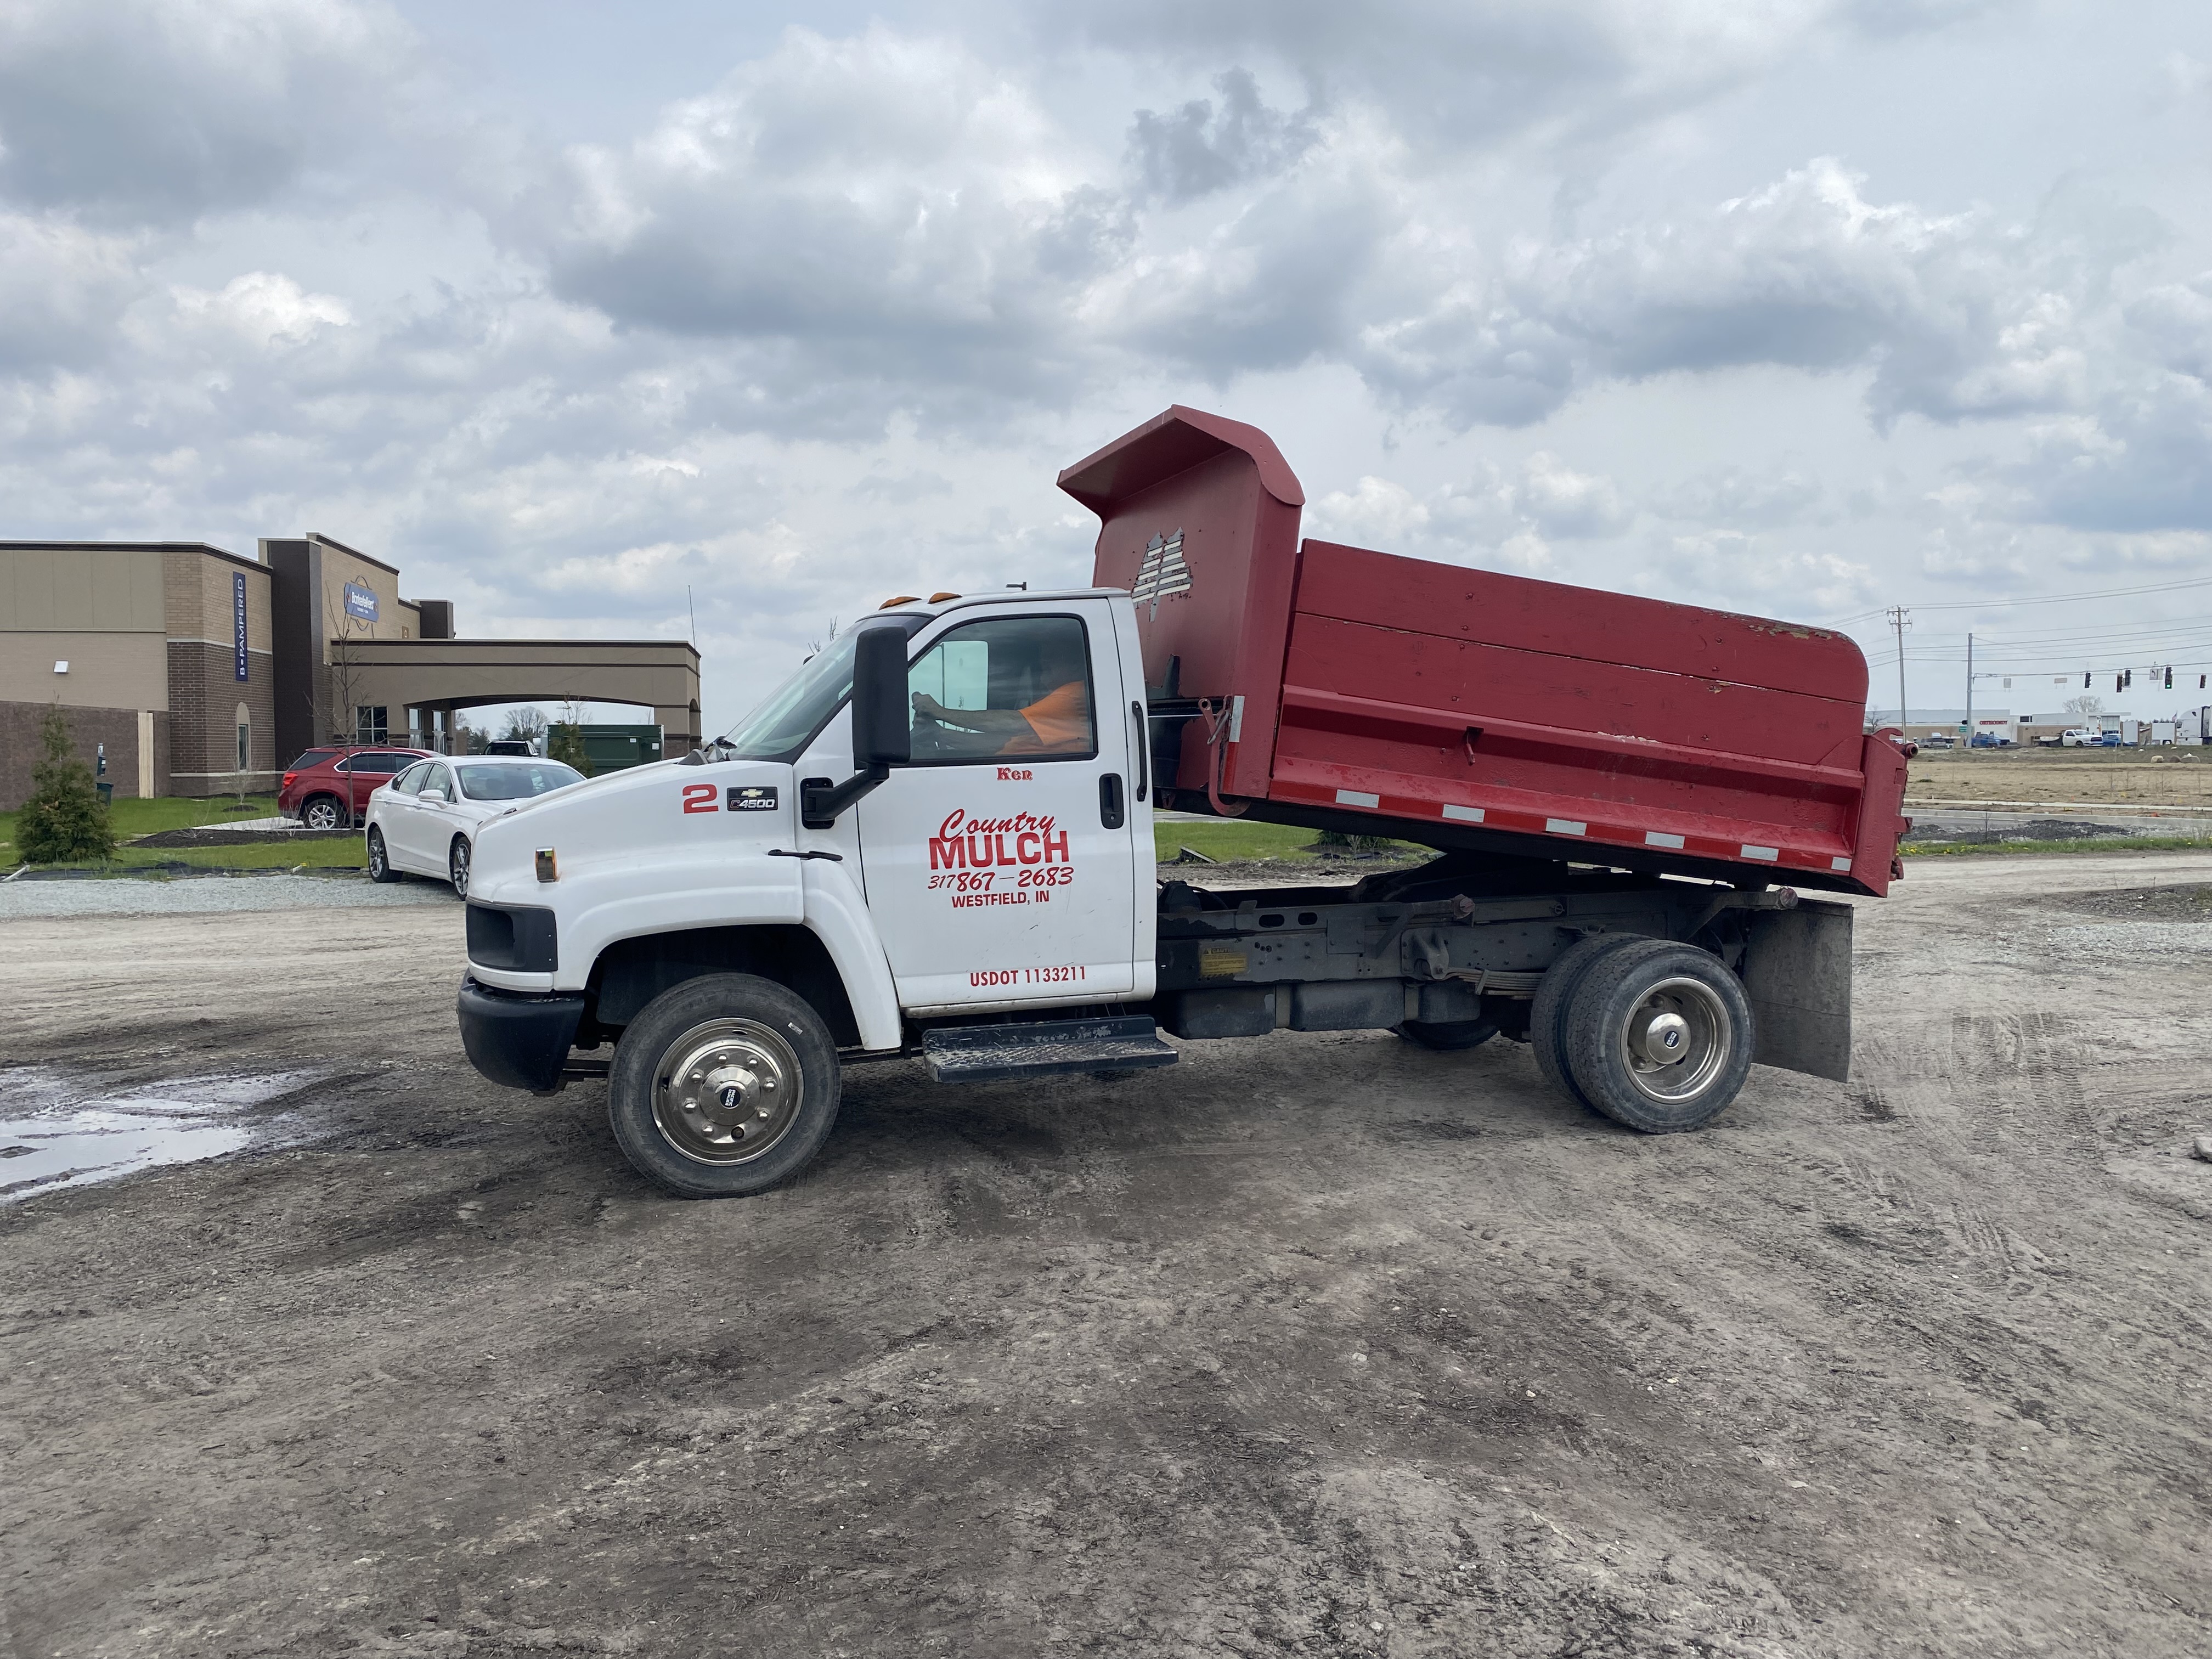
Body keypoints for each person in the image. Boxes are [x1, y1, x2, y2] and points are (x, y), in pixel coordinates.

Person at [911, 637, 1091, 756]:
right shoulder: (1051, 704)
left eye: (1051, 658)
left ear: (1075, 664)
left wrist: (939, 711)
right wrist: (938, 733)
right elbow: (1000, 742)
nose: (1044, 662)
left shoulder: (1072, 695)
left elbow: (1014, 723)